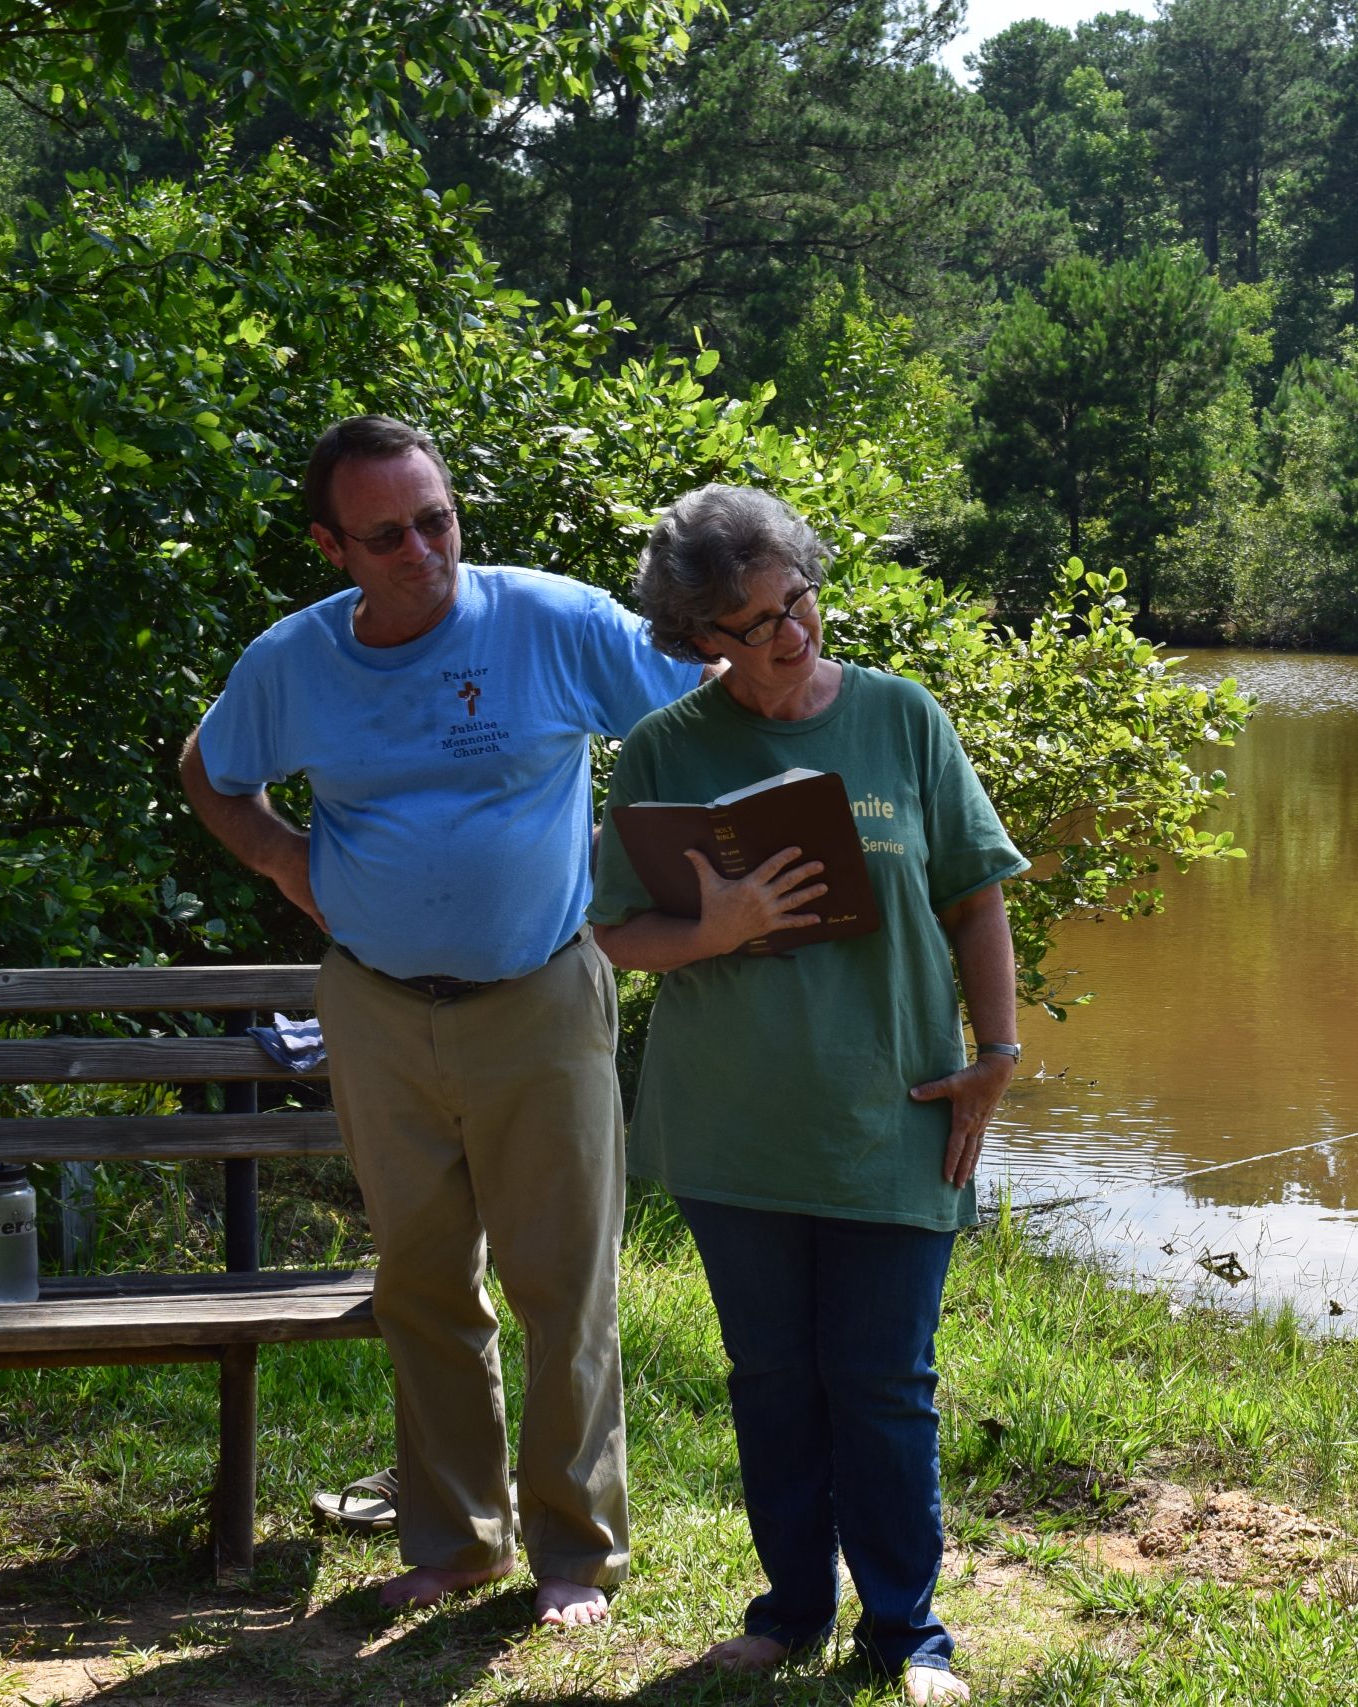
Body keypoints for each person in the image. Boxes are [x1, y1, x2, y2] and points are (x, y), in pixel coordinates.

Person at [180, 415, 702, 1625]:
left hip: (540, 998)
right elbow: (213, 767)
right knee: (421, 1281)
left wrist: (682, 878)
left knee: (563, 1283)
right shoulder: (294, 661)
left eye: (437, 519)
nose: (422, 549)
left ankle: (575, 1554)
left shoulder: (550, 622)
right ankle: (459, 1541)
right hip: (373, 1008)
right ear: (332, 547)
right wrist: (280, 859)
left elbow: (707, 704)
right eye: (387, 534)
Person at [588, 485, 1024, 1703]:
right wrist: (715, 926)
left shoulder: (900, 717)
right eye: (757, 623)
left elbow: (975, 896)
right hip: (734, 1123)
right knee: (772, 1380)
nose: (795, 635)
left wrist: (997, 1055)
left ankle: (907, 1634)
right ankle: (789, 1610)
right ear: (700, 641)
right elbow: (613, 936)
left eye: (801, 601)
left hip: (892, 1111)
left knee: (884, 1383)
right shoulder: (667, 749)